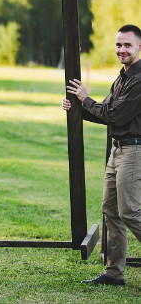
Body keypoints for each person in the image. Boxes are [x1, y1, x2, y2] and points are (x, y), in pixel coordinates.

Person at [63, 24, 141, 287]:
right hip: (117, 150)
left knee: (129, 212)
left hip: (134, 150)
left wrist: (85, 99)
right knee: (111, 211)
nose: (122, 49)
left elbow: (115, 115)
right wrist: (76, 107)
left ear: (139, 47)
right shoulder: (122, 78)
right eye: (119, 45)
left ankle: (114, 272)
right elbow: (103, 112)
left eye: (127, 45)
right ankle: (114, 273)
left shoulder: (139, 80)